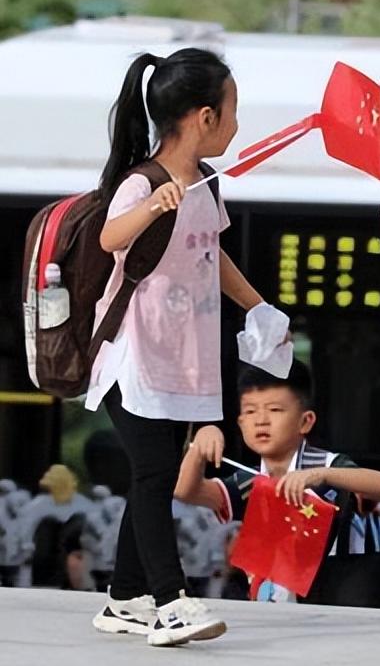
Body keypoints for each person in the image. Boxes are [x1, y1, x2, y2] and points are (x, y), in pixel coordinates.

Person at [85, 48, 277, 646]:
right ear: (203, 117)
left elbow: (211, 256)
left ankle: (122, 599)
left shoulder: (206, 187)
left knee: (156, 473)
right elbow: (109, 237)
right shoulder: (143, 181)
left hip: (179, 359)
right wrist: (150, 206)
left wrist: (259, 306)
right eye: (233, 111)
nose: (238, 124)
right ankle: (170, 602)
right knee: (151, 476)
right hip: (132, 356)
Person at [174, 362, 380, 603]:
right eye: (250, 411)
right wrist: (199, 444)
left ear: (306, 422)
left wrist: (321, 475)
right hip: (278, 608)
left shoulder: (326, 465)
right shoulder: (250, 482)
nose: (261, 420)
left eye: (275, 409)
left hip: (341, 601)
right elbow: (186, 491)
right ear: (240, 423)